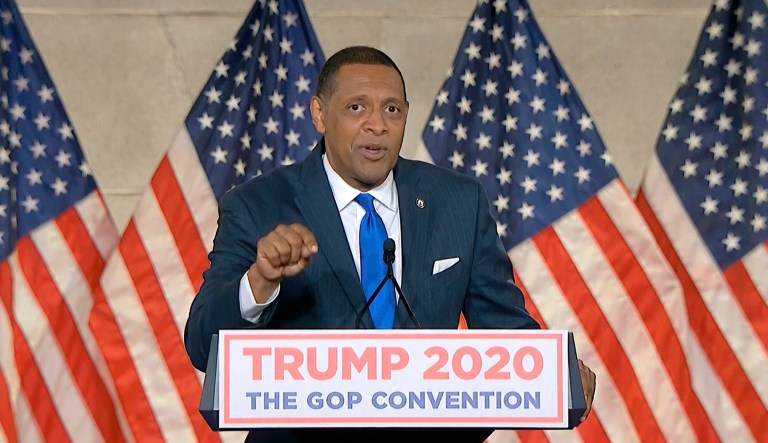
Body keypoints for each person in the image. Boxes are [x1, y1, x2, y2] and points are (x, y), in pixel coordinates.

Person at [184, 46, 596, 443]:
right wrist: (259, 281)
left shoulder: (458, 202)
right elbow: (204, 344)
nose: (377, 125)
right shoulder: (258, 205)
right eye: (356, 107)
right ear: (319, 114)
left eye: (392, 109)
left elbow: (505, 328)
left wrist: (555, 373)